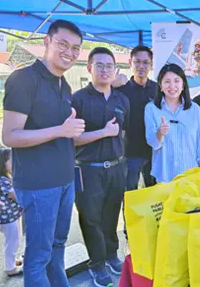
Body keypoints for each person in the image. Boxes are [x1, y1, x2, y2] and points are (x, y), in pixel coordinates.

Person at [2, 20, 85, 287]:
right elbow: (10, 136)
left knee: (57, 247)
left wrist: (68, 131)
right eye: (63, 44)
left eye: (75, 48)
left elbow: (62, 131)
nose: (69, 52)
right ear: (46, 42)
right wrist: (61, 130)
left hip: (64, 180)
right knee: (38, 256)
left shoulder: (64, 85)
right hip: (38, 186)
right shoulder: (23, 79)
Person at [72, 47, 130, 287]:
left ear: (115, 69)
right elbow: (72, 138)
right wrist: (103, 133)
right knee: (91, 218)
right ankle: (96, 263)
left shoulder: (121, 99)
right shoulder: (78, 99)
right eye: (99, 65)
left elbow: (123, 134)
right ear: (89, 68)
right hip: (88, 169)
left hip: (117, 167)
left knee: (111, 215)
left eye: (109, 66)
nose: (105, 70)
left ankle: (110, 255)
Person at [144, 63, 200, 183]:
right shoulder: (151, 108)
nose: (172, 86)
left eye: (176, 81)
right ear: (160, 85)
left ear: (183, 84)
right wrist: (160, 133)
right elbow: (152, 142)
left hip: (190, 175)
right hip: (164, 175)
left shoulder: (195, 109)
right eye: (167, 81)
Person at [116, 46, 158, 191]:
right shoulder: (121, 89)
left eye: (145, 62)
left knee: (154, 197)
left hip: (154, 153)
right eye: (137, 62)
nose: (141, 66)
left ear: (151, 64)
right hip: (129, 154)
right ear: (130, 63)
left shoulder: (158, 90)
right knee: (130, 197)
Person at [0, 147, 23, 277]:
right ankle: (10, 268)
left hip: (11, 215)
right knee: (13, 241)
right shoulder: (2, 180)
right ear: (2, 163)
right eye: (11, 160)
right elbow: (14, 195)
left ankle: (12, 261)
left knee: (15, 239)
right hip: (8, 218)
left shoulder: (5, 177)